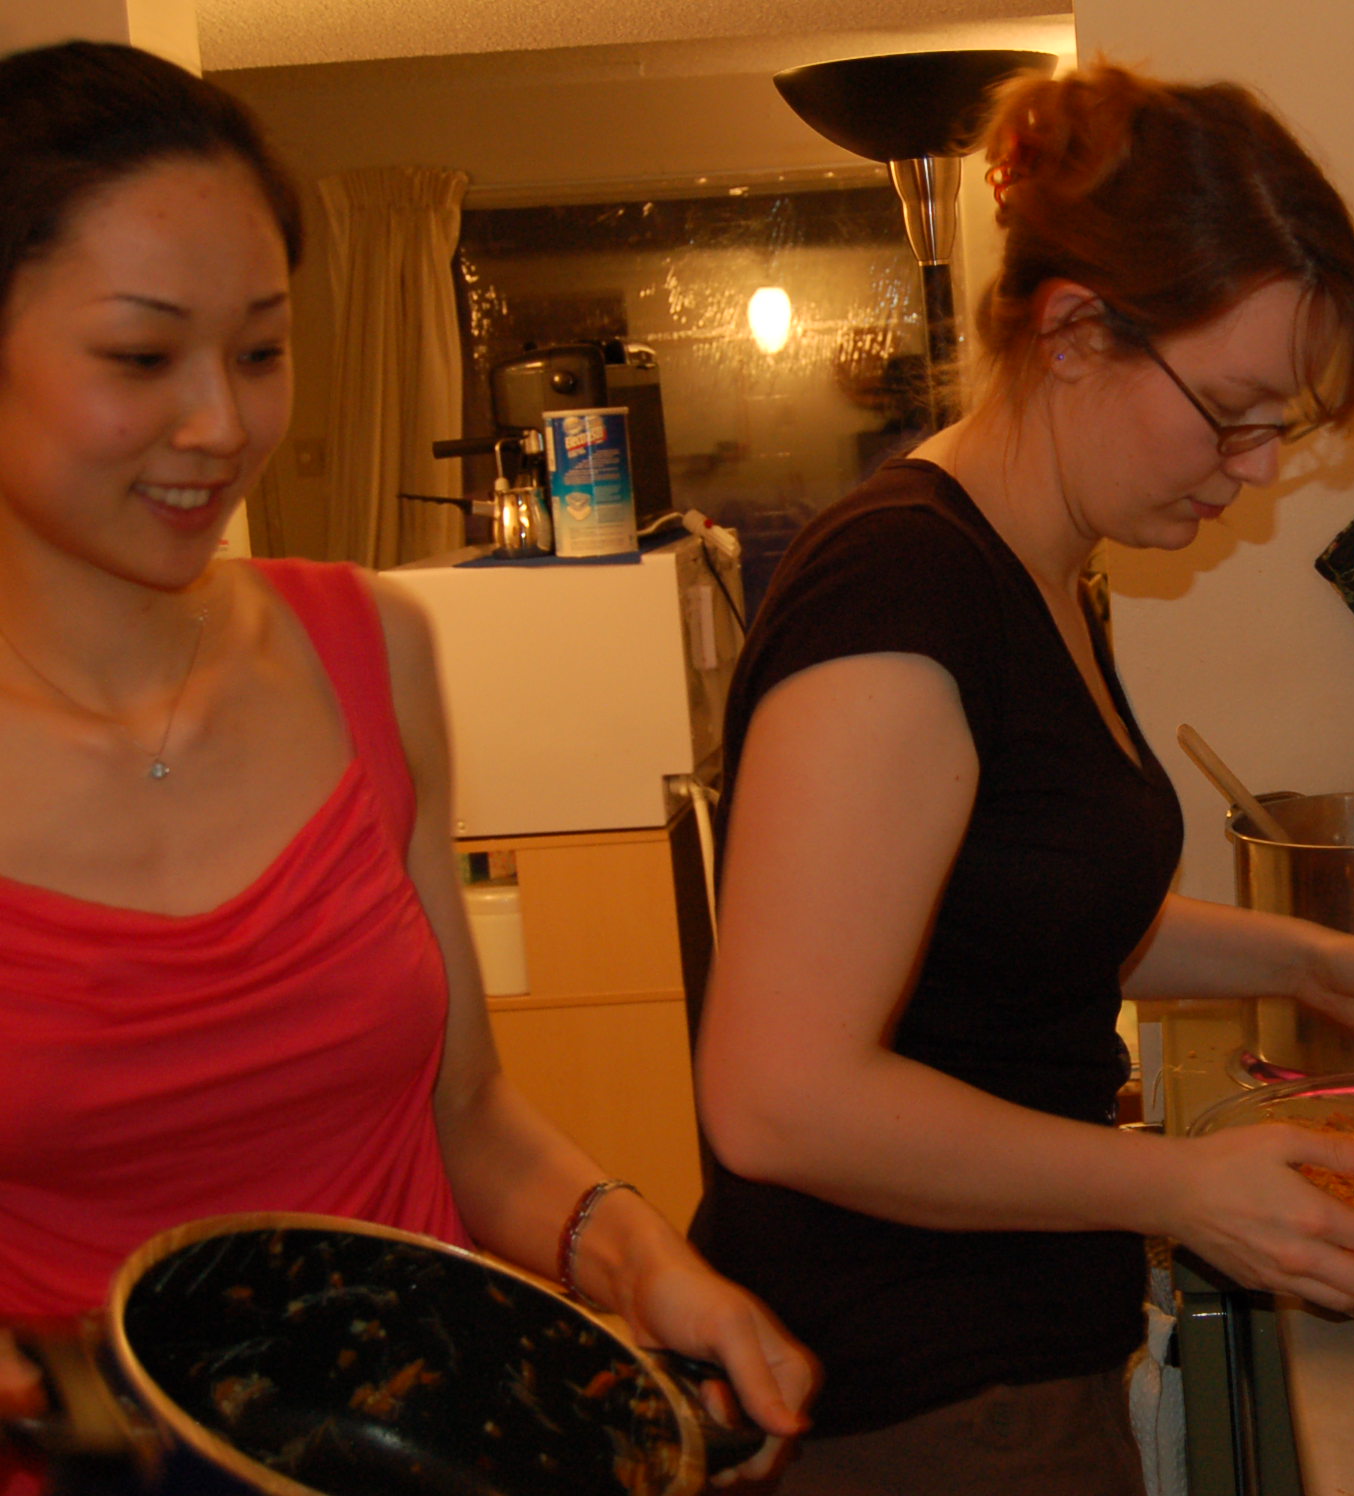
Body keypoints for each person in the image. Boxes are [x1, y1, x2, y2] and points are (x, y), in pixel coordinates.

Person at [691, 62, 1354, 1495]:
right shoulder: (900, 600)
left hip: (996, 1356)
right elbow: (778, 1098)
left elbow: (1008, 920)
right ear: (1076, 331)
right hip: (903, 1400)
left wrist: (1318, 961)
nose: (1253, 471)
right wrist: (1179, 1188)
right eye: (1234, 412)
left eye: (1280, 429)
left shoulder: (1043, 576)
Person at [0, 42, 815, 1493]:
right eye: (140, 357)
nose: (223, 425)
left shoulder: (367, 651)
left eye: (261, 351)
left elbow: (467, 1113)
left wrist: (640, 1260)